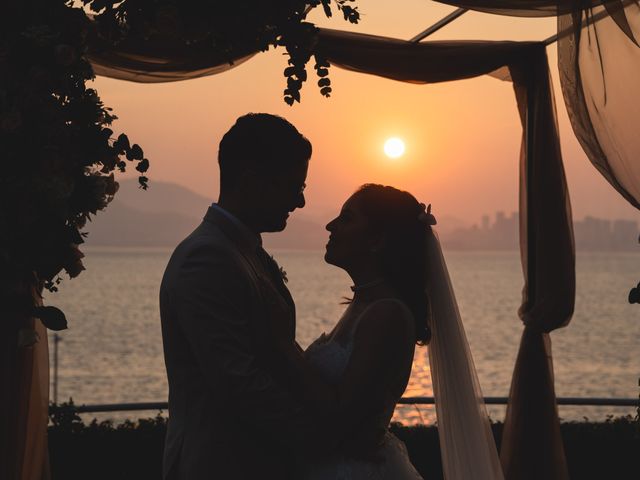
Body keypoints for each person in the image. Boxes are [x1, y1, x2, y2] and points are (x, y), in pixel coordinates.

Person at [267, 184, 504, 479]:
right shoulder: (364, 305)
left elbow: (342, 415)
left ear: (377, 240)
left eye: (347, 218)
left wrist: (281, 344)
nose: (330, 226)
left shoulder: (387, 314)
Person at [159, 113, 328, 480]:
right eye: (292, 186)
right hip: (221, 463)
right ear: (251, 181)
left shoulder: (244, 250)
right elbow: (238, 380)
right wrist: (324, 435)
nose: (299, 202)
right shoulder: (206, 258)